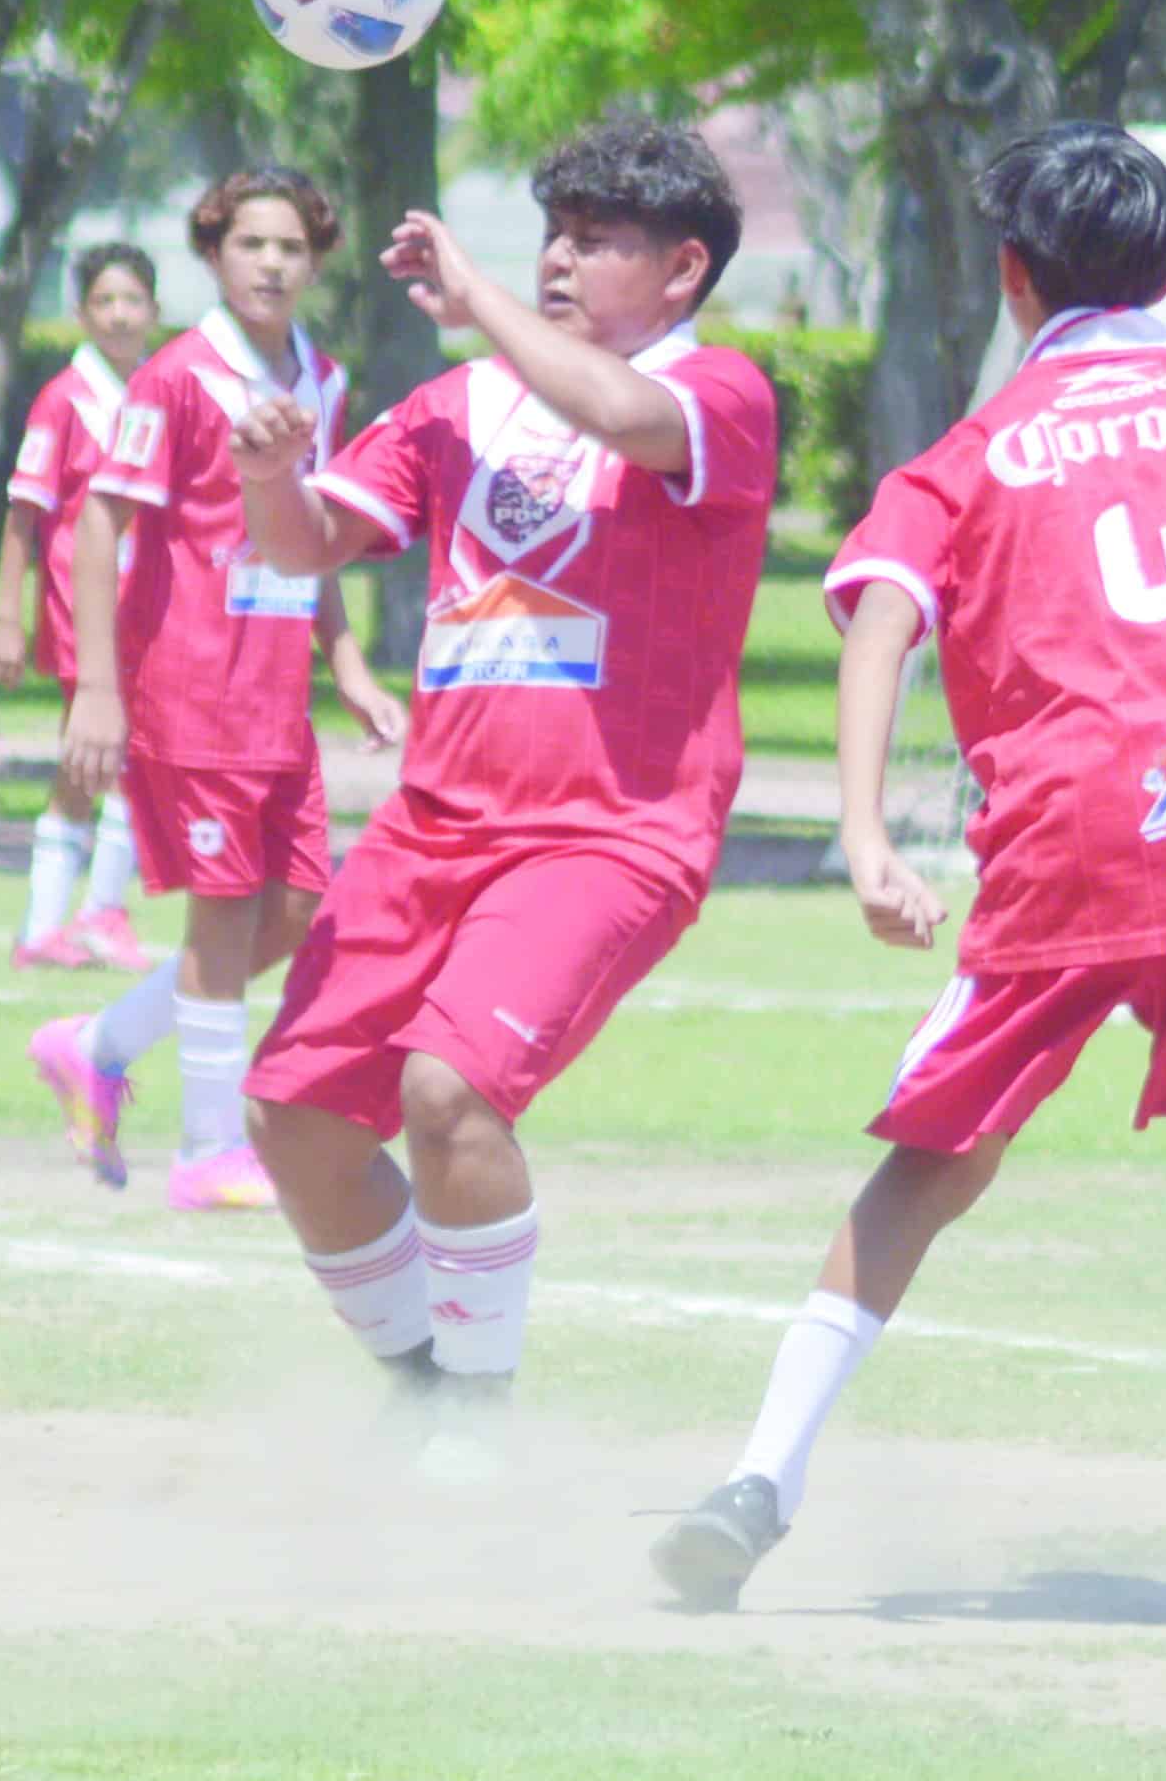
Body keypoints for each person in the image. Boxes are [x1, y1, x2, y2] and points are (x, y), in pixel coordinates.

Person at [653, 121, 1166, 1626]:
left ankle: (753, 1483)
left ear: (1013, 281)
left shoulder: (961, 460)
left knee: (931, 1167)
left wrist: (861, 837)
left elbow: (878, 623)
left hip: (1066, 844)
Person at [224, 119, 773, 1467]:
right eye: (554, 235)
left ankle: (475, 1425)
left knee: (447, 1095)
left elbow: (618, 413)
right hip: (432, 822)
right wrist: (263, 472)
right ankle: (422, 1388)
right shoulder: (457, 408)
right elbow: (303, 545)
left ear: (683, 268)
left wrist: (470, 304)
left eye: (599, 241)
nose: (561, 261)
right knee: (290, 1121)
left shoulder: (722, 392)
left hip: (611, 828)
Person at [32, 169, 404, 1208]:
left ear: (315, 261)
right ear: (212, 253)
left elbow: (308, 537)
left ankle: (93, 1043)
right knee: (222, 915)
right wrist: (98, 689)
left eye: (291, 246)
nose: (271, 263)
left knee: (293, 909)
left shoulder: (321, 383)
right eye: (250, 244)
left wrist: (349, 664)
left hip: (274, 697)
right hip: (189, 687)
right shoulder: (177, 376)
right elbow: (100, 521)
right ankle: (205, 1150)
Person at [0, 241, 164, 974]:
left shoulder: (159, 391)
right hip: (80, 612)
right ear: (81, 313)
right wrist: (7, 616)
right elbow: (24, 514)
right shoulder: (64, 400)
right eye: (105, 301)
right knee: (98, 760)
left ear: (154, 309)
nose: (120, 315)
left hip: (145, 615)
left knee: (122, 763)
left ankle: (78, 917)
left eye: (132, 300)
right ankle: (73, 919)